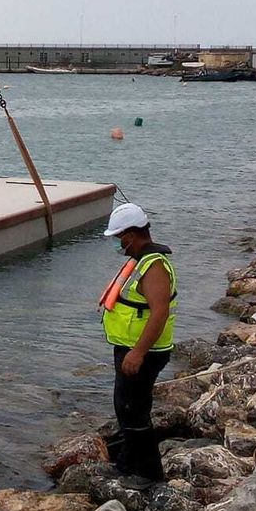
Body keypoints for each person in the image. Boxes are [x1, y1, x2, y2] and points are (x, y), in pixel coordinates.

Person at [97, 203, 177, 482]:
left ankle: (149, 474)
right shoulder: (142, 262)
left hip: (144, 351)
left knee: (134, 410)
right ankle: (127, 462)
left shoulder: (153, 267)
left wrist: (138, 353)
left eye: (120, 237)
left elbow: (160, 312)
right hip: (130, 347)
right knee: (125, 406)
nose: (120, 244)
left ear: (131, 234)